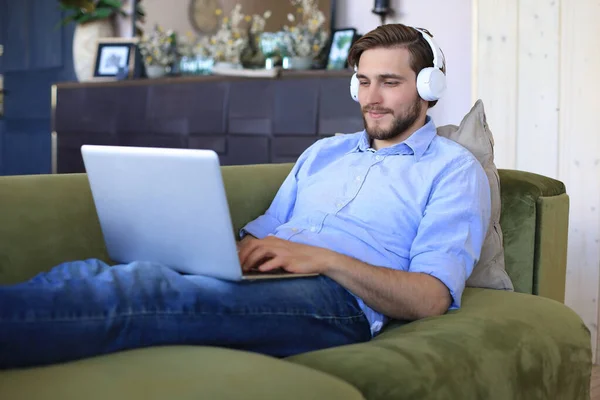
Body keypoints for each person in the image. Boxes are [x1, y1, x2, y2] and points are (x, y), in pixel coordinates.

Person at [0, 23, 490, 369]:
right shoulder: (325, 153)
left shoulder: (452, 170)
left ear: (429, 88)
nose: (371, 98)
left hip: (337, 303)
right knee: (97, 274)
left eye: (389, 82)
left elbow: (430, 297)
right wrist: (217, 251)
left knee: (143, 292)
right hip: (266, 277)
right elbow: (263, 231)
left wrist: (321, 259)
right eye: (363, 81)